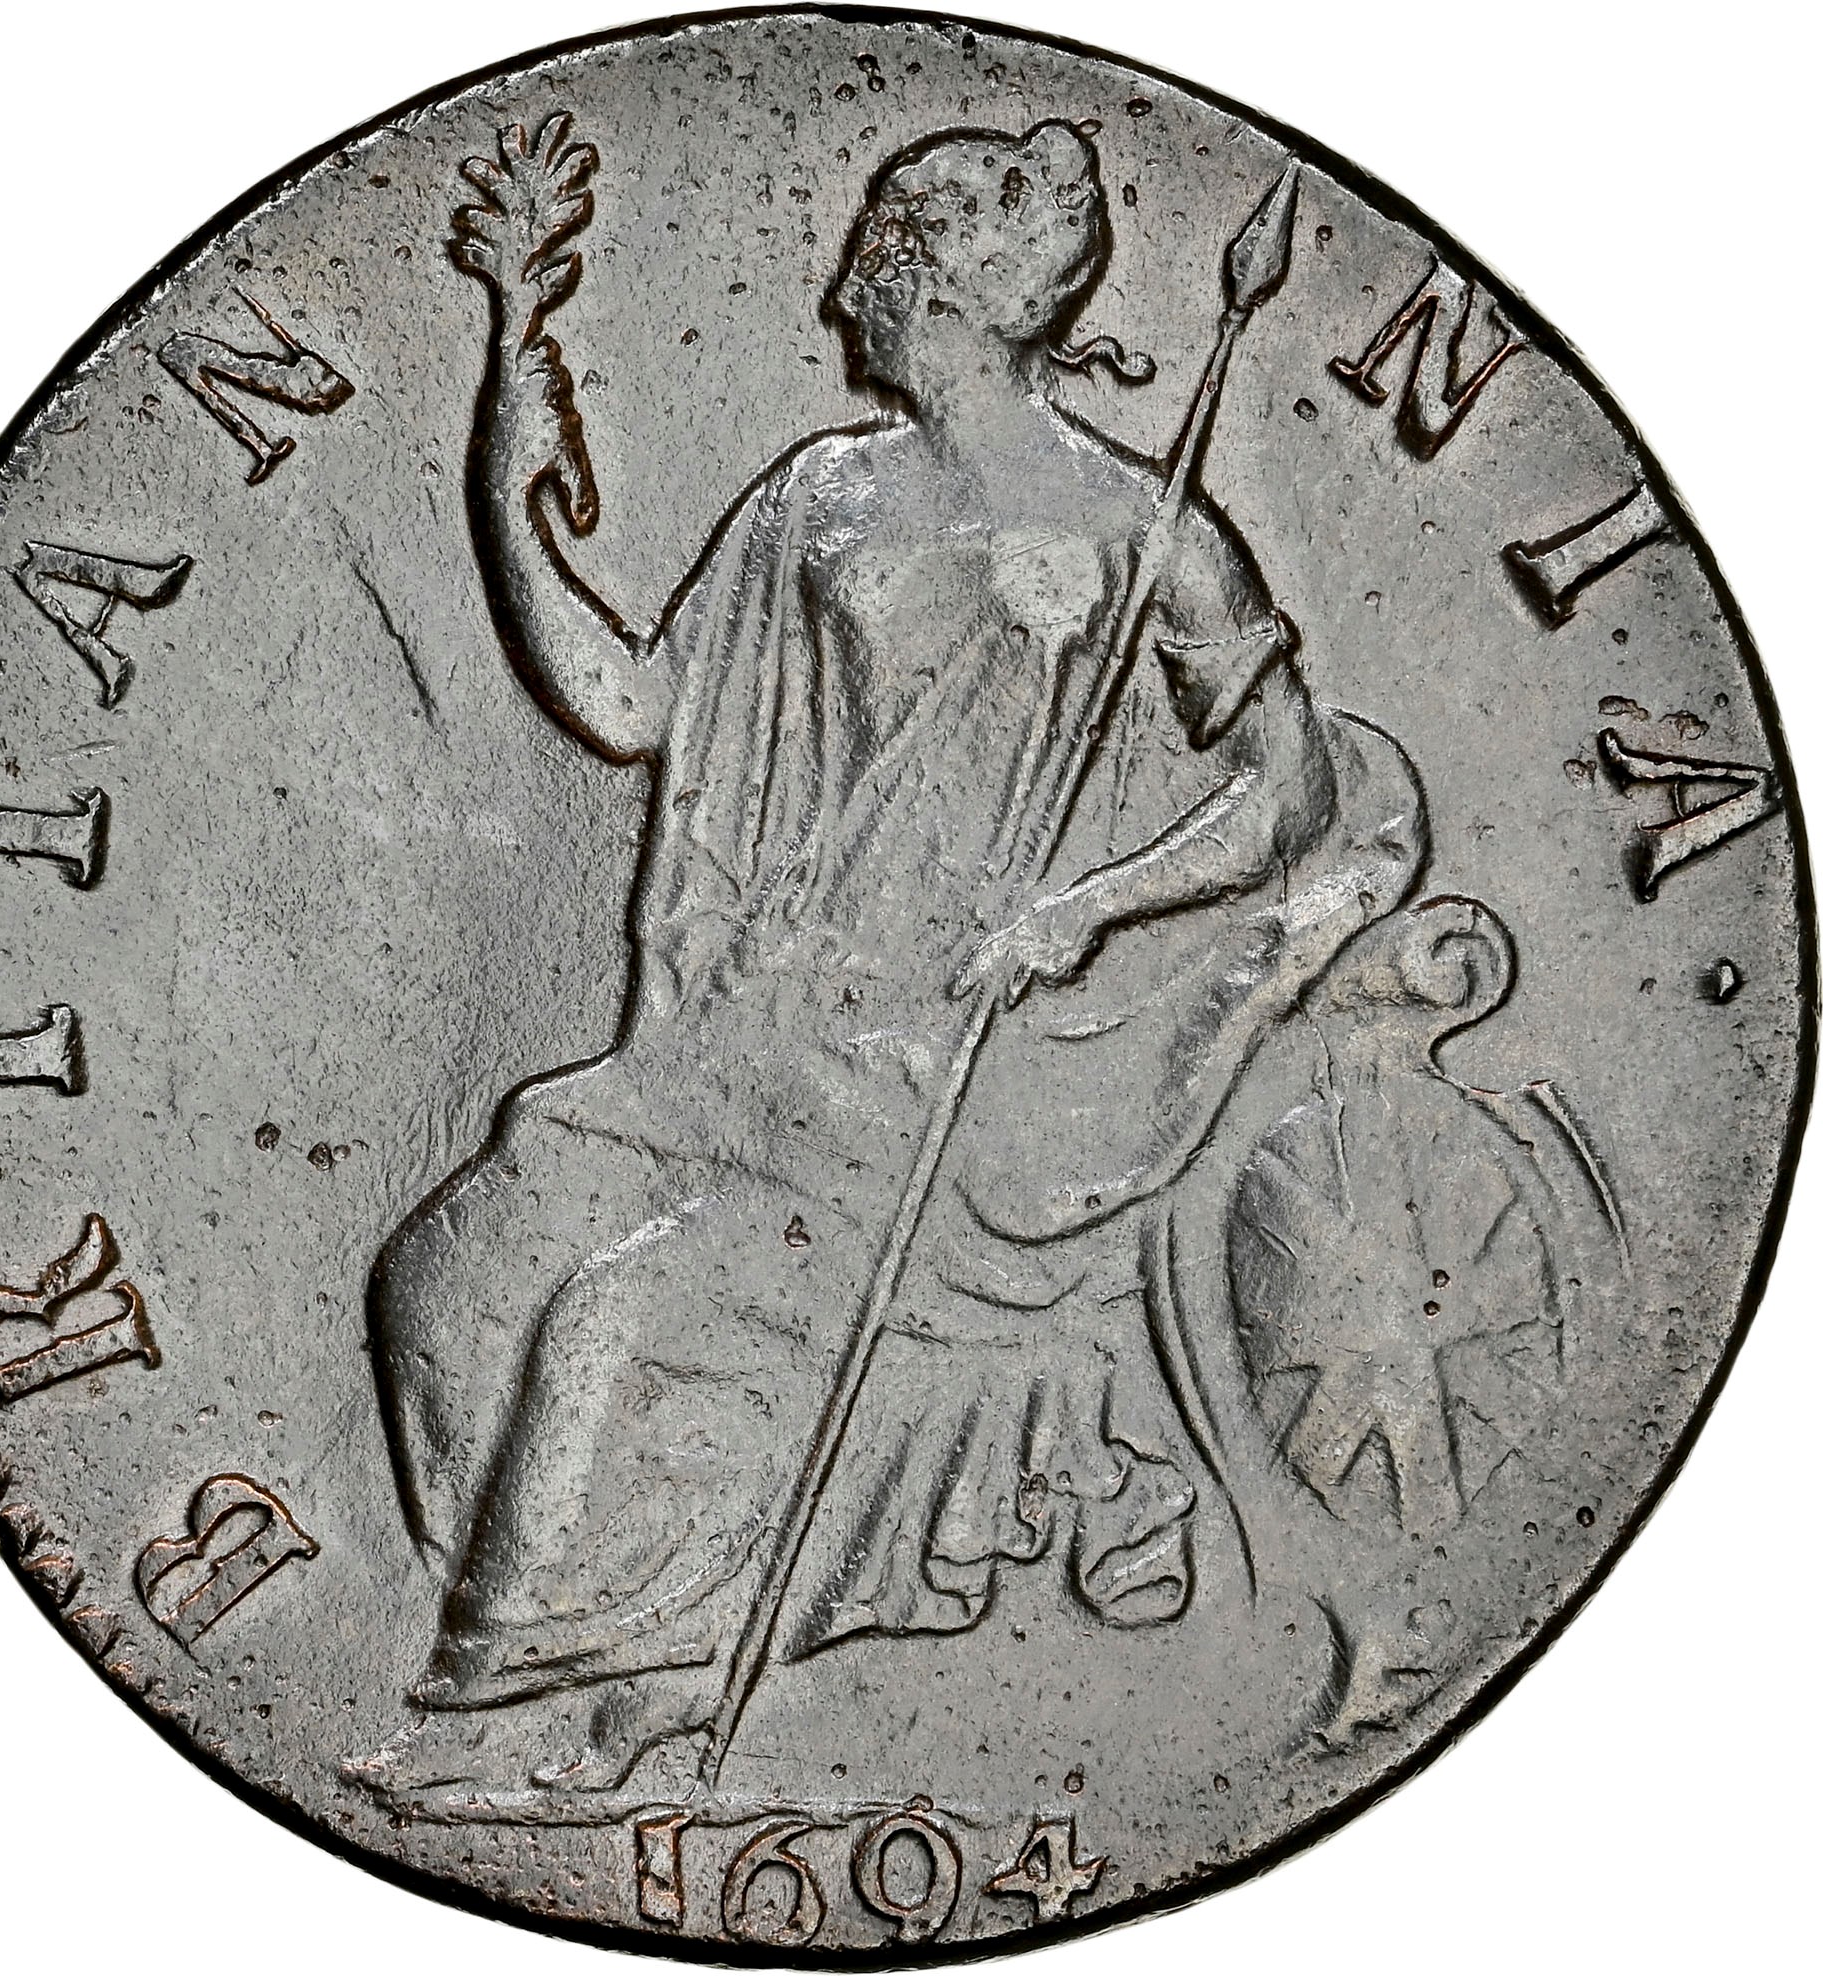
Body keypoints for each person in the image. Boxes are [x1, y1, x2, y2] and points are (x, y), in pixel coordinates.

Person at [362, 116, 1424, 1799]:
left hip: (942, 1078)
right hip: (743, 1042)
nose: (843, 298)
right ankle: (602, 1633)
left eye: (873, 261)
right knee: (446, 1278)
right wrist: (508, 455)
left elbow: (1287, 796)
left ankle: (571, 1716)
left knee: (613, 1329)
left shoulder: (1143, 526)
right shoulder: (817, 495)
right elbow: (630, 705)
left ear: (939, 286)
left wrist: (1088, 908)